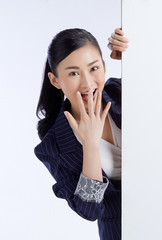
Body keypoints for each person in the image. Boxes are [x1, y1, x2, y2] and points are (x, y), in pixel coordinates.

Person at [34, 27, 128, 240]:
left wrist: (134, 57)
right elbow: (89, 210)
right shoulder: (54, 145)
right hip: (122, 232)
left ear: (104, 66)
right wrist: (91, 144)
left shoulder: (122, 92)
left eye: (94, 68)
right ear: (55, 80)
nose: (87, 83)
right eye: (74, 73)